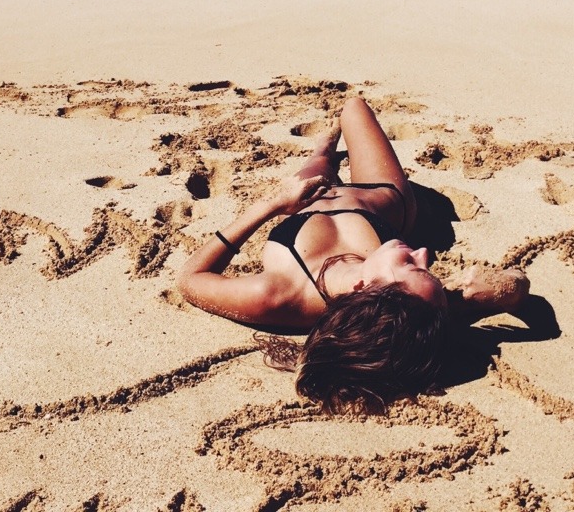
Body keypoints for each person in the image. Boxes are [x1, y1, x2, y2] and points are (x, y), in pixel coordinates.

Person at [178, 95, 528, 413]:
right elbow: (518, 285)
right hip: (383, 198)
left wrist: (271, 204)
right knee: (353, 107)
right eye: (423, 265)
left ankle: (322, 155)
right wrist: (493, 291)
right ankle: (324, 156)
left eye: (411, 264)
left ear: (363, 287)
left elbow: (190, 279)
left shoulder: (278, 294)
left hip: (300, 199)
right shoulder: (414, 311)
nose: (423, 253)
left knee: (320, 162)